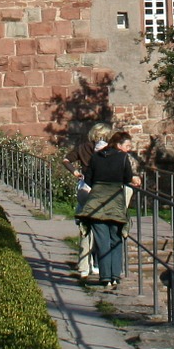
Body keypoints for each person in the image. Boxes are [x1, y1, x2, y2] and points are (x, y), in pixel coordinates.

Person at [76, 129, 140, 288]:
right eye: (127, 145)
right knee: (116, 239)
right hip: (115, 202)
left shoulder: (96, 157)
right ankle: (115, 275)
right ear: (119, 144)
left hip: (97, 202)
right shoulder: (123, 158)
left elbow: (88, 180)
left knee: (102, 239)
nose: (129, 148)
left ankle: (104, 277)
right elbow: (126, 179)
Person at [68, 123, 111, 282]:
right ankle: (97, 264)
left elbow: (66, 159)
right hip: (99, 191)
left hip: (85, 188)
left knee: (86, 228)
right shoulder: (105, 150)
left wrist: (75, 172)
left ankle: (84, 266)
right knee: (100, 228)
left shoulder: (82, 148)